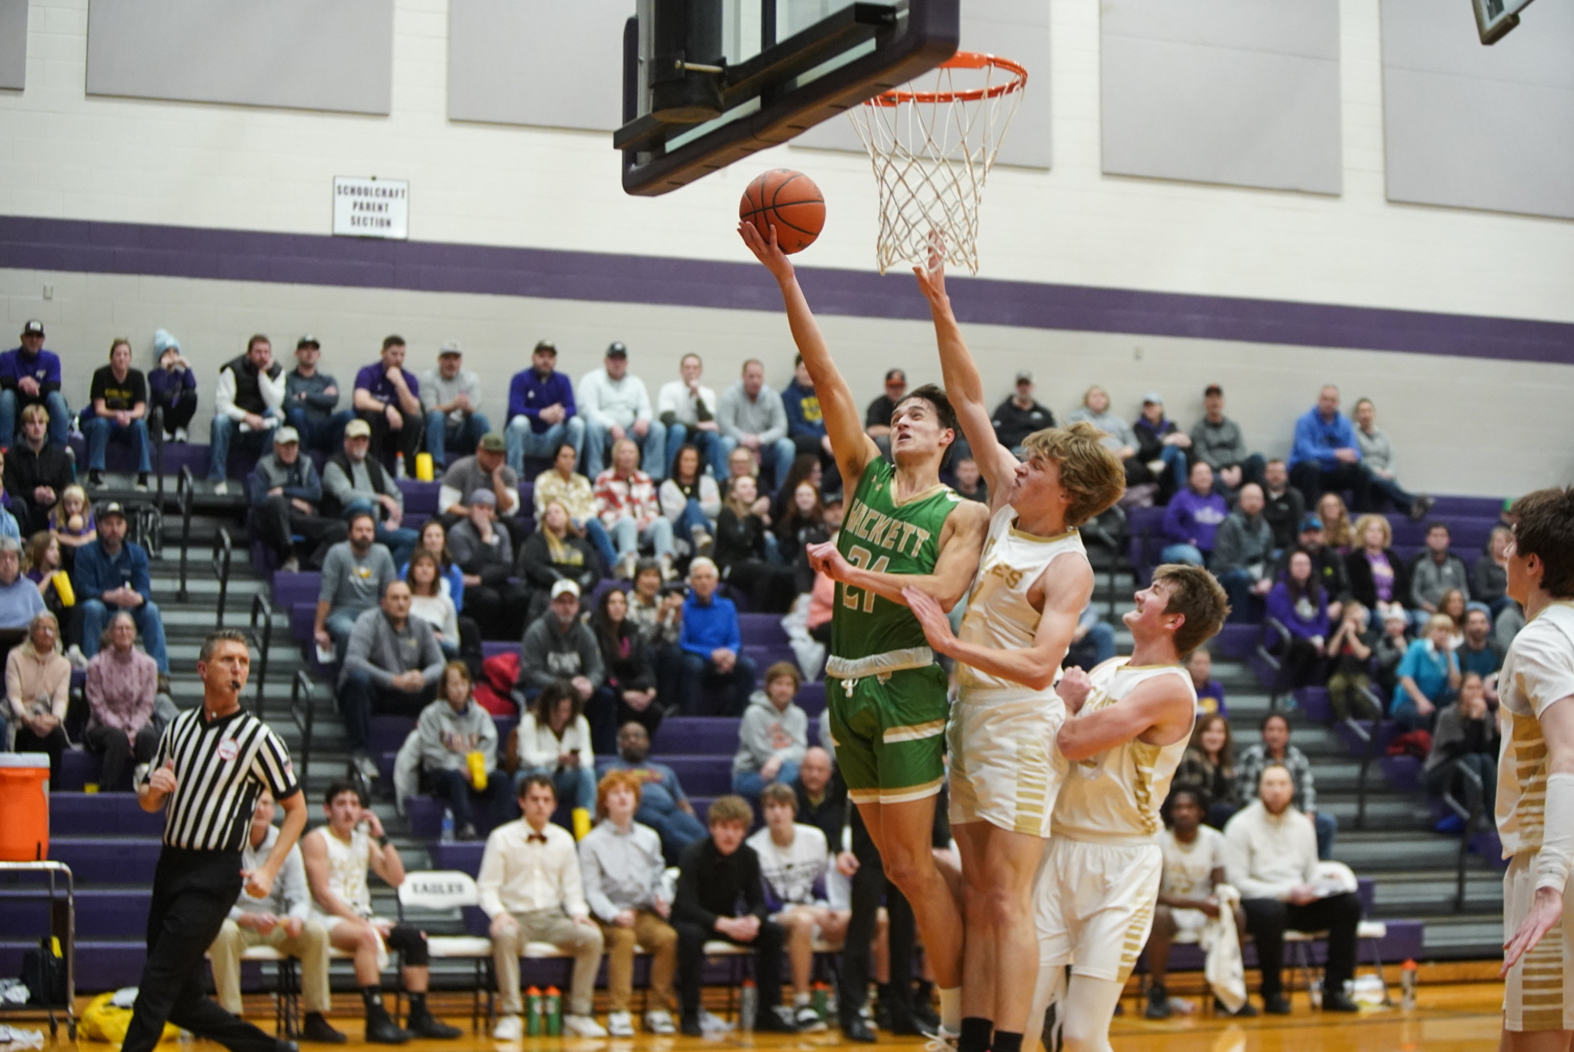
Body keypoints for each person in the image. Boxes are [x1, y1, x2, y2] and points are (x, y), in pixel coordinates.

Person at [742, 219, 991, 1038]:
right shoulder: (866, 475)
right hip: (845, 684)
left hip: (910, 681)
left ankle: (962, 1018)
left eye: (923, 413)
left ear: (949, 437)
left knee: (916, 869)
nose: (906, 418)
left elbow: (942, 593)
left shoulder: (965, 512)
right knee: (897, 866)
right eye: (901, 412)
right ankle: (979, 973)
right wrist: (785, 277)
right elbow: (825, 372)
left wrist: (854, 574)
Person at [907, 246, 1128, 1052]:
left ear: (1065, 489)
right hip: (971, 718)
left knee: (1009, 900)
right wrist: (940, 303)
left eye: (1035, 463)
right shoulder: (1005, 500)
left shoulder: (1070, 564)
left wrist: (948, 642)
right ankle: (972, 1034)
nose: (1017, 462)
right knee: (978, 897)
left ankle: (1010, 1041)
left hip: (1022, 732)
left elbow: (1040, 667)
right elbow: (966, 396)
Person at [1021, 565, 1230, 1052]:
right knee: (1023, 1017)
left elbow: (1070, 741)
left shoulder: (1171, 688)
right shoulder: (1109, 668)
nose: (1139, 594)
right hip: (1059, 848)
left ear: (1174, 620)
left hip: (1120, 864)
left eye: (1154, 592)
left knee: (1081, 1034)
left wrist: (1066, 703)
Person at [121, 629, 307, 1052]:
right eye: (228, 660)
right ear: (203, 669)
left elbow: (297, 810)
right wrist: (152, 790)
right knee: (179, 999)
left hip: (214, 873)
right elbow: (150, 802)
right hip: (171, 866)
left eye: (243, 661)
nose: (238, 668)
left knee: (157, 980)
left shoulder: (259, 738)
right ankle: (270, 1049)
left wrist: (269, 867)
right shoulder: (178, 728)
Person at [1493, 486, 1574, 1047]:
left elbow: (1569, 750)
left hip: (1555, 865)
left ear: (1533, 563)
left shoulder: (1540, 640)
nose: (1503, 550)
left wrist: (1550, 881)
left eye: (1513, 540)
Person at [301, 781, 461, 1043]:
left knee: (415, 937)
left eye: (355, 804)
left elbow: (397, 878)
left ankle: (418, 1015)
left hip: (360, 916)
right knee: (365, 936)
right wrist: (365, 925)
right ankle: (376, 1019)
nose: (349, 811)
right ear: (327, 810)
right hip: (325, 918)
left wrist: (382, 837)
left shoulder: (364, 841)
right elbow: (322, 895)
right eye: (341, 804)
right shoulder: (317, 840)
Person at [1224, 765, 1363, 1015]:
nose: (1276, 790)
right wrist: (1285, 892)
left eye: (1282, 784)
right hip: (1258, 903)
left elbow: (1310, 872)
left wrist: (1323, 883)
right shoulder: (1240, 825)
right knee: (1272, 911)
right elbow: (1236, 882)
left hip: (1298, 902)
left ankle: (1334, 989)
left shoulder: (1303, 824)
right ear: (1259, 788)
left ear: (1292, 789)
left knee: (1348, 904)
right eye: (1270, 784)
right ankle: (1272, 992)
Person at [478, 774, 608, 1038]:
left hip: (552, 918)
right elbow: (486, 887)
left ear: (554, 805)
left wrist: (579, 914)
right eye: (534, 799)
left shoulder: (564, 839)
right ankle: (511, 1015)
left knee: (592, 937)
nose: (540, 805)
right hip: (516, 917)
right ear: (521, 802)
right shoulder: (501, 837)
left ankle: (579, 1014)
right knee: (503, 936)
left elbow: (572, 889)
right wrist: (499, 914)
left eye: (546, 800)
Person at [207, 790, 343, 1043]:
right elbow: (215, 900)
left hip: (277, 924)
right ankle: (231, 1019)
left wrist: (296, 919)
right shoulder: (225, 843)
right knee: (222, 931)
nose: (261, 809)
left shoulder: (285, 843)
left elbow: (300, 895)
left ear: (274, 810)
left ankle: (315, 1017)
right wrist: (246, 918)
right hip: (239, 924)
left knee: (316, 932)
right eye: (256, 804)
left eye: (267, 804)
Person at [672, 794, 797, 1035]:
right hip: (694, 919)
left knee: (773, 932)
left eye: (736, 829)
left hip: (727, 919)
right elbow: (686, 904)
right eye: (724, 828)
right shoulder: (693, 853)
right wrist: (723, 924)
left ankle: (767, 1011)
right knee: (689, 936)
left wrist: (753, 919)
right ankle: (689, 1013)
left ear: (744, 832)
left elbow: (758, 901)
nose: (729, 835)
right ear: (712, 828)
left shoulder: (749, 856)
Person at [578, 770, 680, 1036]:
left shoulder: (649, 837)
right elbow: (592, 890)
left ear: (636, 800)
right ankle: (619, 1011)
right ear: (605, 802)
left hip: (642, 911)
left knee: (668, 937)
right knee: (623, 939)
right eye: (616, 793)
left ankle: (657, 1009)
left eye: (628, 792)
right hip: (606, 914)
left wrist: (661, 898)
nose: (623, 797)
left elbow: (659, 876)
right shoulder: (591, 842)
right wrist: (613, 914)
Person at [1142, 787, 1253, 1020]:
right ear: (1170, 813)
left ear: (1201, 811)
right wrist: (1197, 904)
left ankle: (1227, 991)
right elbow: (1154, 894)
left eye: (1190, 807)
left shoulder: (1214, 839)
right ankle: (1158, 991)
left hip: (1204, 909)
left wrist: (1216, 903)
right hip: (1173, 909)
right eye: (1178, 808)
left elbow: (1219, 886)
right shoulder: (1158, 840)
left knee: (1236, 914)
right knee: (1158, 915)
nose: (1184, 813)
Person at [748, 782, 848, 1031]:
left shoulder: (815, 838)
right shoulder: (754, 848)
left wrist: (825, 908)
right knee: (802, 922)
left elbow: (822, 888)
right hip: (778, 917)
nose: (777, 813)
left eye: (783, 806)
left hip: (814, 910)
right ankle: (802, 1003)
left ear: (793, 810)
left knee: (853, 919)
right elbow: (767, 903)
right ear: (763, 812)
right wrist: (810, 912)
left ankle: (852, 1001)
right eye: (771, 807)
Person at [339, 581, 445, 778]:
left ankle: (437, 755)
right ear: (384, 602)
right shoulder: (368, 621)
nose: (401, 603)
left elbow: (440, 664)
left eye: (405, 598)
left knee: (441, 684)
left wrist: (422, 677)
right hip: (379, 692)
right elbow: (353, 661)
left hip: (409, 691)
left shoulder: (421, 625)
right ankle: (360, 754)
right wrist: (393, 680)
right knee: (357, 680)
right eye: (395, 598)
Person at [416, 661, 508, 840]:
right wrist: (459, 768)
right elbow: (430, 751)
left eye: (463, 684)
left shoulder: (481, 715)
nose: (459, 690)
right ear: (445, 688)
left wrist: (479, 770)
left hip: (476, 773)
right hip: (443, 774)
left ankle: (506, 828)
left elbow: (489, 746)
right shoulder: (431, 714)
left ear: (469, 687)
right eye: (454, 684)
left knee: (502, 779)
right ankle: (464, 827)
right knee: (455, 778)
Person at [73, 501, 168, 672]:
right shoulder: (85, 552)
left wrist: (138, 597)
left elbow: (144, 588)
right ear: (100, 526)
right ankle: (90, 671)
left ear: (126, 527)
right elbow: (81, 588)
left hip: (128, 610)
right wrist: (108, 595)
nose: (114, 529)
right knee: (92, 608)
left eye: (119, 524)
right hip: (103, 610)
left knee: (151, 610)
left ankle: (161, 674)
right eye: (108, 524)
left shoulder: (137, 552)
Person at [599, 721, 708, 864]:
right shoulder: (608, 770)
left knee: (698, 832)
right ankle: (699, 861)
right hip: (638, 809)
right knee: (664, 826)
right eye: (626, 737)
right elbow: (600, 802)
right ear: (619, 744)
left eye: (637, 736)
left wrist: (689, 818)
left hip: (671, 810)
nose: (632, 740)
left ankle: (706, 855)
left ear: (647, 742)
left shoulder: (664, 770)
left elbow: (681, 801)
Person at [1235, 713, 1337, 860]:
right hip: (1261, 813)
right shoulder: (1252, 756)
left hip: (1293, 813)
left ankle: (1319, 866)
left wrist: (1308, 813)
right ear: (1262, 733)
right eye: (1270, 730)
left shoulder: (1298, 757)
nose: (1275, 734)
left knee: (1326, 823)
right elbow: (1246, 796)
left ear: (1287, 734)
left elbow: (1306, 790)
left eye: (1280, 730)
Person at [246, 426, 346, 573]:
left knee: (343, 528)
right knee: (277, 502)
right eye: (285, 446)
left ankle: (311, 565)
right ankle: (289, 555)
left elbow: (316, 493)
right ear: (276, 446)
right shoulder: (264, 465)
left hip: (303, 517)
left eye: (293, 445)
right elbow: (258, 499)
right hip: (274, 520)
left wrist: (284, 491)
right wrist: (291, 501)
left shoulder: (306, 463)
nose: (290, 450)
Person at [321, 420, 418, 565]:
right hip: (345, 522)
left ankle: (385, 574)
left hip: (376, 525)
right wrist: (380, 498)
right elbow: (346, 495)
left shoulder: (374, 464)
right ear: (346, 441)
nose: (360, 443)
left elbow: (396, 494)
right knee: (363, 505)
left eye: (364, 440)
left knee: (415, 539)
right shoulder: (334, 465)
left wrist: (394, 520)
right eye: (356, 439)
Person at [82, 611, 160, 791]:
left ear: (134, 633)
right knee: (118, 738)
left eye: (128, 629)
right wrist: (122, 728)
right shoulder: (96, 664)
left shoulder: (149, 665)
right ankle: (107, 790)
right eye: (119, 629)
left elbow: (147, 704)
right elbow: (97, 705)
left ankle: (147, 789)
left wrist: (133, 727)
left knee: (148, 737)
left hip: (137, 722)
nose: (124, 632)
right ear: (110, 633)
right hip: (102, 725)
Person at [676, 557, 756, 716]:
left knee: (748, 666)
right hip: (698, 657)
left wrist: (731, 654)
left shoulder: (727, 606)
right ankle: (690, 716)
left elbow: (735, 640)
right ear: (691, 582)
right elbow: (682, 643)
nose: (703, 582)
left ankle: (740, 716)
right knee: (692, 665)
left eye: (708, 577)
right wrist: (711, 654)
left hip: (724, 657)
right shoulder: (683, 607)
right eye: (698, 577)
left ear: (715, 581)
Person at [207, 335, 285, 495]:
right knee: (220, 421)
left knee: (276, 415)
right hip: (236, 429)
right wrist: (246, 417)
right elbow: (221, 405)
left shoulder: (277, 371)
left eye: (266, 352)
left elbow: (274, 403)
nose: (263, 356)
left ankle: (263, 475)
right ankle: (218, 478)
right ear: (248, 354)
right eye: (258, 352)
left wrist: (262, 375)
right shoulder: (232, 369)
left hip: (260, 430)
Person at [508, 679, 597, 819]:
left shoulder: (580, 722)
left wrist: (576, 760)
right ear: (547, 707)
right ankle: (539, 819)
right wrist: (556, 758)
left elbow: (588, 756)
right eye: (557, 711)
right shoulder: (530, 720)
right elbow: (528, 757)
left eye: (566, 711)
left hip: (564, 777)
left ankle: (587, 822)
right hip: (530, 775)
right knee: (541, 773)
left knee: (587, 773)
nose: (562, 716)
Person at [586, 586, 660, 755]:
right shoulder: (594, 631)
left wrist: (650, 688)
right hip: (609, 685)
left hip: (631, 684)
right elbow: (601, 668)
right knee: (609, 698)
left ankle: (639, 751)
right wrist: (623, 693)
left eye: (621, 602)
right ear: (604, 606)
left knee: (655, 710)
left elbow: (645, 664)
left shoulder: (632, 630)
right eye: (612, 602)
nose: (617, 606)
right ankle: (610, 750)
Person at [515, 580, 604, 720]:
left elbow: (596, 667)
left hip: (575, 689)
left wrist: (590, 683)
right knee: (535, 696)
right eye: (561, 602)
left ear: (578, 606)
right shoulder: (536, 632)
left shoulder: (585, 633)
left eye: (571, 602)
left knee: (605, 697)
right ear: (552, 605)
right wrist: (565, 686)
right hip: (544, 687)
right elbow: (531, 672)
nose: (566, 607)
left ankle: (599, 742)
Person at [445, 490, 528, 640]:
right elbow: (469, 566)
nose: (485, 512)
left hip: (491, 581)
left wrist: (481, 578)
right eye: (480, 507)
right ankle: (486, 641)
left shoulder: (501, 530)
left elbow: (507, 567)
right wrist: (485, 539)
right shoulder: (458, 532)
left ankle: (511, 642)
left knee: (519, 596)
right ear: (470, 509)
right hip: (470, 585)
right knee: (489, 599)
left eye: (489, 509)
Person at [314, 512, 397, 659]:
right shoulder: (337, 552)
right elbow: (327, 593)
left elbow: (390, 592)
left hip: (373, 613)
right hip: (341, 613)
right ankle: (347, 677)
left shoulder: (383, 553)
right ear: (349, 533)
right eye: (359, 530)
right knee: (350, 632)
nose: (364, 534)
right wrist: (319, 629)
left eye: (369, 530)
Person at [1425, 672, 1499, 831]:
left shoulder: (1486, 715)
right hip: (1440, 772)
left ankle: (1494, 815)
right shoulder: (1448, 715)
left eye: (1478, 688)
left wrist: (1489, 728)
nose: (1474, 692)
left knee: (1485, 760)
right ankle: (1476, 816)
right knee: (1471, 760)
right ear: (1461, 692)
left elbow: (1485, 753)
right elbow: (1459, 752)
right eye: (1469, 688)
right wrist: (1474, 721)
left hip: (1470, 769)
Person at [579, 341, 663, 482]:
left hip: (630, 432)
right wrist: (611, 425)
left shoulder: (636, 382)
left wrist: (643, 419)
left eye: (621, 359)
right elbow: (588, 410)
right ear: (605, 361)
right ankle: (596, 477)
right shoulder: (591, 380)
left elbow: (645, 408)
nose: (617, 363)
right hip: (605, 432)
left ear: (626, 363)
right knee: (591, 427)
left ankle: (652, 478)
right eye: (613, 359)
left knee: (657, 428)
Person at [595, 437, 675, 580]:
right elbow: (600, 510)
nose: (627, 456)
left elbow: (653, 508)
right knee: (627, 522)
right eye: (623, 452)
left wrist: (646, 520)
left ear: (637, 456)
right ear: (615, 456)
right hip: (616, 527)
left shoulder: (644, 478)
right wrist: (622, 519)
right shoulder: (604, 479)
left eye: (631, 452)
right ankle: (630, 567)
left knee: (662, 522)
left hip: (642, 527)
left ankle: (664, 567)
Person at [714, 473, 795, 613]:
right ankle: (758, 615)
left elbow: (759, 546)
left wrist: (757, 521)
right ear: (734, 494)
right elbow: (739, 542)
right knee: (765, 572)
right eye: (744, 487)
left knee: (787, 573)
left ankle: (779, 615)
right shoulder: (726, 514)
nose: (750, 490)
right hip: (728, 565)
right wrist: (753, 517)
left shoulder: (753, 516)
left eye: (753, 486)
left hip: (749, 562)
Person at [533, 441, 618, 571]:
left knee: (595, 523)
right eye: (565, 456)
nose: (569, 461)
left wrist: (582, 522)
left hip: (583, 523)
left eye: (572, 457)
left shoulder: (582, 481)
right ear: (555, 460)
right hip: (554, 522)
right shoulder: (544, 480)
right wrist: (568, 522)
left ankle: (615, 565)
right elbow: (542, 508)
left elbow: (592, 507)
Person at [6, 610, 69, 783]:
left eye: (51, 629)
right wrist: (27, 718)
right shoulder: (16, 657)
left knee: (55, 735)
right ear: (33, 632)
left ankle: (51, 789)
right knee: (29, 734)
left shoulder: (63, 664)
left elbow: (61, 698)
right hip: (20, 714)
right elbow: (14, 695)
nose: (47, 633)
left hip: (46, 715)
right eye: (42, 628)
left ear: (56, 634)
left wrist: (55, 719)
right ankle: (24, 786)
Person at [505, 340, 585, 475]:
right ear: (533, 358)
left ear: (555, 360)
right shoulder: (520, 378)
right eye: (541, 356)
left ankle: (570, 474)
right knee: (519, 422)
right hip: (527, 437)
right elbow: (514, 408)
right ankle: (515, 476)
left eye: (550, 357)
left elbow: (572, 409)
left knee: (577, 424)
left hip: (551, 437)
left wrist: (561, 413)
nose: (546, 360)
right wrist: (541, 414)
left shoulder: (563, 380)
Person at [733, 661, 809, 801]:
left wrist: (779, 758)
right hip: (751, 774)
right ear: (768, 687)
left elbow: (800, 750)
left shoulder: (799, 715)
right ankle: (782, 808)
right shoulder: (753, 713)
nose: (783, 689)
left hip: (785, 770)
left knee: (794, 769)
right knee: (791, 771)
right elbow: (761, 753)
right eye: (779, 684)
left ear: (795, 689)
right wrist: (781, 760)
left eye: (788, 685)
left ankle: (779, 805)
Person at [516, 499, 602, 623]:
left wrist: (578, 585)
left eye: (557, 512)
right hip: (547, 588)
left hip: (578, 590)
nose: (553, 516)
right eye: (549, 513)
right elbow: (533, 566)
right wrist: (560, 583)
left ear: (567, 516)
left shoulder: (581, 543)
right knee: (542, 600)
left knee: (585, 604)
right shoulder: (537, 541)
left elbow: (594, 571)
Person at [1287, 386, 1370, 512]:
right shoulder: (1305, 421)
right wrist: (1335, 454)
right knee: (1312, 466)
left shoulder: (1345, 423)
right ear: (1319, 400)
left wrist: (1349, 457)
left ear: (1337, 403)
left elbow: (1356, 453)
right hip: (1304, 471)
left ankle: (1361, 516)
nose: (1328, 403)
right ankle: (1312, 516)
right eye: (1325, 399)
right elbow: (1306, 453)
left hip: (1332, 471)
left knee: (1362, 471)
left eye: (1332, 400)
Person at [83, 337, 151, 490]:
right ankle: (95, 474)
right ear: (111, 357)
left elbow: (140, 410)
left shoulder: (137, 377)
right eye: (118, 354)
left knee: (140, 425)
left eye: (125, 354)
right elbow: (99, 409)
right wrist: (117, 415)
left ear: (130, 358)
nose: (122, 358)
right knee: (100, 423)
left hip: (127, 423)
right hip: (104, 422)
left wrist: (127, 416)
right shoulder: (101, 375)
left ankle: (143, 477)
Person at [717, 359, 796, 489]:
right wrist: (745, 439)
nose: (755, 381)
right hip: (738, 445)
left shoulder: (773, 396)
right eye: (751, 377)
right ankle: (726, 488)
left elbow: (781, 428)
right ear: (743, 377)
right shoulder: (730, 395)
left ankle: (783, 493)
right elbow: (725, 424)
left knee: (787, 446)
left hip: (764, 447)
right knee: (726, 443)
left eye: (759, 377)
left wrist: (760, 440)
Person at [351, 335, 424, 475]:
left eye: (402, 355)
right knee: (370, 416)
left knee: (415, 421)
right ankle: (372, 468)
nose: (398, 359)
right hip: (376, 423)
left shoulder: (409, 378)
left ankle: (406, 470)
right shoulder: (368, 372)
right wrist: (387, 409)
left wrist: (400, 383)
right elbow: (360, 400)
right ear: (383, 353)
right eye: (394, 354)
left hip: (398, 428)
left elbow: (413, 409)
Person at [1351, 398, 1432, 520]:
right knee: (1380, 481)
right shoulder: (1352, 434)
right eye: (1362, 411)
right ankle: (1414, 501)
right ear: (1357, 415)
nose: (1366, 414)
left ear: (1373, 413)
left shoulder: (1383, 435)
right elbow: (1357, 459)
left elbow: (1392, 457)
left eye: (1368, 410)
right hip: (1366, 477)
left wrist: (1389, 472)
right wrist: (1377, 471)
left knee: (1387, 482)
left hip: (1385, 475)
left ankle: (1411, 510)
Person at [4, 404, 75, 537]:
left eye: (41, 422)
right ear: (24, 428)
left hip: (53, 510)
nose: (37, 427)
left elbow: (70, 488)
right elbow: (10, 490)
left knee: (71, 503)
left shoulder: (62, 456)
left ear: (46, 426)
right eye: (32, 423)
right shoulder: (11, 456)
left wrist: (55, 494)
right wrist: (33, 493)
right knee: (16, 503)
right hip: (25, 510)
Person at [1265, 548, 1330, 690]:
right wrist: (1310, 638)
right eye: (1298, 564)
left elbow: (1324, 621)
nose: (1302, 568)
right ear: (1290, 567)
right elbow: (1286, 621)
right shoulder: (1280, 589)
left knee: (1334, 648)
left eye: (1306, 564)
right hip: (1283, 638)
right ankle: (1292, 691)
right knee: (1306, 648)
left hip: (1312, 638)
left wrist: (1320, 637)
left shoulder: (1319, 591)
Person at [437, 432, 522, 540]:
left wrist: (496, 478)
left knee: (514, 526)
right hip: (464, 516)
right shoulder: (460, 468)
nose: (495, 458)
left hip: (494, 518)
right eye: (490, 453)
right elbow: (446, 505)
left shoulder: (508, 474)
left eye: (499, 454)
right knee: (445, 521)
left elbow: (509, 509)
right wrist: (473, 513)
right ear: (479, 451)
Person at [0, 320, 69, 448]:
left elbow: (54, 386)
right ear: (22, 338)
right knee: (6, 397)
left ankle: (59, 451)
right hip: (18, 406)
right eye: (29, 336)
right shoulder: (7, 357)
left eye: (38, 336)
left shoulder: (51, 359)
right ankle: (4, 450)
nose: (33, 340)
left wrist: (34, 386)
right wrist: (21, 383)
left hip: (42, 405)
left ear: (43, 339)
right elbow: (5, 382)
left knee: (57, 398)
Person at [420, 340, 489, 466]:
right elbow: (430, 409)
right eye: (447, 358)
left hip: (462, 430)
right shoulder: (428, 377)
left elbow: (475, 410)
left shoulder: (471, 378)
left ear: (460, 361)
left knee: (480, 418)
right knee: (436, 416)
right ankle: (437, 466)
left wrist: (466, 407)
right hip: (439, 431)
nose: (451, 363)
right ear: (439, 360)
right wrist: (454, 405)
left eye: (455, 358)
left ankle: (487, 464)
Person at [284, 335, 352, 458]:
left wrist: (306, 396)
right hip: (302, 426)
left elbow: (332, 400)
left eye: (313, 349)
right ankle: (302, 463)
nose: (310, 353)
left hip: (323, 427)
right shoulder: (289, 379)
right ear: (297, 353)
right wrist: (321, 397)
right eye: (305, 349)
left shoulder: (327, 380)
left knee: (348, 415)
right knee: (296, 413)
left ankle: (337, 463)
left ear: (318, 355)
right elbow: (288, 403)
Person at [1188, 384, 1264, 494]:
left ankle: (1258, 496)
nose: (1215, 402)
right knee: (1213, 479)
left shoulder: (1233, 426)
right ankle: (1232, 503)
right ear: (1205, 403)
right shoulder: (1199, 429)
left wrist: (1236, 467)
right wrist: (1221, 469)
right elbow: (1201, 453)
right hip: (1215, 470)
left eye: (1217, 398)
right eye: (1211, 398)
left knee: (1257, 459)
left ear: (1223, 402)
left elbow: (1240, 447)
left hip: (1237, 468)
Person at [1393, 613, 1461, 732]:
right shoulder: (1417, 647)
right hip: (1409, 702)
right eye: (1440, 630)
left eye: (1447, 631)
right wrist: (1421, 701)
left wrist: (1449, 656)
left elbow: (1455, 685)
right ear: (1430, 631)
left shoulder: (1451, 654)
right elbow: (1405, 678)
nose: (1443, 634)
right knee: (1423, 715)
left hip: (1436, 701)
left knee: (1454, 706)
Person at [1175, 713, 1242, 830]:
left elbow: (1233, 796)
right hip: (1198, 812)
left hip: (1222, 812)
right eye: (1209, 731)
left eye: (1219, 732)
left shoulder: (1227, 763)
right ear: (1199, 734)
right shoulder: (1191, 755)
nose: (1214, 737)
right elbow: (1193, 794)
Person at [1066, 385, 1143, 488]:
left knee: (1139, 471)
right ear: (1086, 400)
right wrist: (1102, 454)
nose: (1099, 398)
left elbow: (1134, 443)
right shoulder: (1077, 417)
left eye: (1102, 396)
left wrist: (1123, 453)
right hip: (1094, 457)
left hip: (1120, 458)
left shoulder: (1117, 420)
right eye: (1094, 396)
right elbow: (1071, 440)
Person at [1345, 513, 1411, 619]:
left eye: (1379, 530)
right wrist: (1375, 602)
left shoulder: (1392, 557)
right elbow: (1355, 589)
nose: (1375, 534)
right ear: (1362, 533)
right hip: (1369, 606)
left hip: (1393, 606)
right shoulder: (1355, 559)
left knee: (1413, 618)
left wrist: (1397, 602)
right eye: (1370, 530)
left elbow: (1404, 586)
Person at [659, 442, 720, 556]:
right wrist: (696, 507)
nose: (689, 464)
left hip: (706, 526)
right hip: (678, 529)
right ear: (678, 462)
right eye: (685, 460)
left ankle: (698, 537)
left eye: (693, 460)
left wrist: (689, 509)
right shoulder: (667, 486)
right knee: (691, 504)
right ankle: (699, 537)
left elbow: (715, 508)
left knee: (689, 521)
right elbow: (672, 515)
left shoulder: (708, 482)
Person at [1160, 462, 1225, 565]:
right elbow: (1169, 524)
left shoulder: (1220, 501)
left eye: (1207, 473)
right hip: (1183, 548)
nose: (1204, 477)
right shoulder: (1181, 497)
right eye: (1199, 473)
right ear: (1191, 477)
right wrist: (1187, 539)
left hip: (1213, 551)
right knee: (1193, 557)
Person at [781, 353, 836, 476]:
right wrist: (821, 438)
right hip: (803, 440)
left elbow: (832, 420)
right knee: (809, 443)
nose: (808, 373)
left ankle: (824, 488)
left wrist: (829, 437)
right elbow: (793, 427)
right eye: (804, 369)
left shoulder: (825, 394)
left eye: (811, 369)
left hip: (826, 439)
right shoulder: (787, 396)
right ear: (796, 371)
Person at [404, 550, 464, 660]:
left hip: (436, 648)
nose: (424, 570)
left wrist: (442, 638)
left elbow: (454, 641)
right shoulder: (403, 597)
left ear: (436, 571)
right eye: (420, 565)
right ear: (412, 570)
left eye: (429, 566)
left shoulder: (445, 601)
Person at [1325, 601, 1380, 720]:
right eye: (1348, 613)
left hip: (1360, 673)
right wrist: (1341, 631)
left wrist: (1351, 634)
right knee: (1335, 686)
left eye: (1355, 611)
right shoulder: (1340, 634)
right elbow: (1331, 652)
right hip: (1342, 672)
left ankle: (1370, 721)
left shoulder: (1369, 635)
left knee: (1361, 695)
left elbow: (1363, 655)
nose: (1352, 616)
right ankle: (1344, 719)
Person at [1410, 522, 1471, 625]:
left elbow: (1464, 590)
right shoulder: (1418, 563)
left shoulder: (1457, 563)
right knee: (1423, 620)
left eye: (1442, 536)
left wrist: (1457, 606)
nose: (1438, 539)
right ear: (1427, 539)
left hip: (1455, 607)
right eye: (1434, 535)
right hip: (1427, 610)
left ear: (1448, 540)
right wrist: (1430, 608)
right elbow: (1415, 594)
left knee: (1479, 610)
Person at [1133, 392, 1190, 498]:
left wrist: (1185, 441)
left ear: (1161, 408)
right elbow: (1144, 450)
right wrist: (1163, 441)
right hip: (1150, 461)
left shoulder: (1170, 425)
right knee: (1178, 454)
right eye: (1147, 406)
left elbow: (1180, 441)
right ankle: (1184, 495)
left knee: (1179, 454)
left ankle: (1162, 462)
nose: (1149, 409)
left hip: (1166, 465)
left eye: (1153, 406)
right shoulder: (1139, 427)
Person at [989, 370, 1055, 455]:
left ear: (1032, 387)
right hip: (1012, 451)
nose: (1023, 388)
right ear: (1016, 387)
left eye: (1026, 384)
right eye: (1020, 384)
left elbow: (1051, 434)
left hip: (1037, 450)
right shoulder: (1003, 411)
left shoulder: (1044, 413)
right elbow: (997, 434)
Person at [149, 330, 198, 443]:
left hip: (175, 416)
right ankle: (160, 431)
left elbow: (192, 387)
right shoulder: (154, 374)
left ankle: (181, 429)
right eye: (167, 352)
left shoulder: (180, 375)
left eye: (175, 352)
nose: (172, 355)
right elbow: (158, 390)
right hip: (159, 416)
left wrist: (187, 367)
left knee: (191, 395)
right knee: (165, 395)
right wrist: (163, 368)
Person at [1260, 459, 1307, 555]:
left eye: (1279, 472)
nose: (1275, 476)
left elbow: (1298, 527)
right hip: (1260, 549)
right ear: (1265, 475)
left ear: (1286, 475)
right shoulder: (1258, 495)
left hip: (1286, 550)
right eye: (1272, 472)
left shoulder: (1295, 497)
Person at [862, 368, 908, 461]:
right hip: (886, 446)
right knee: (883, 441)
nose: (895, 390)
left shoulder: (911, 405)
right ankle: (885, 472)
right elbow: (872, 430)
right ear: (886, 387)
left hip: (905, 439)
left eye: (899, 386)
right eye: (892, 386)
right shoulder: (877, 405)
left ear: (904, 387)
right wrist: (898, 431)